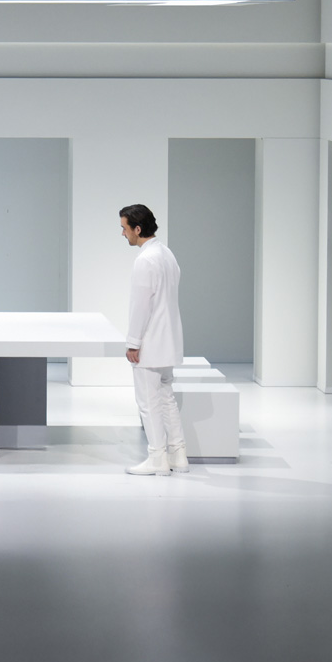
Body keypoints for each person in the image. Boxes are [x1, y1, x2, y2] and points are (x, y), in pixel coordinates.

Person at [118, 204, 187, 476]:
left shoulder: (145, 260)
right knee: (166, 398)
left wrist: (133, 342)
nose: (122, 234)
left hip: (150, 342)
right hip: (169, 340)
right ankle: (178, 455)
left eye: (124, 228)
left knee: (148, 402)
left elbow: (141, 306)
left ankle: (157, 457)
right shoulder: (167, 254)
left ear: (137, 229)